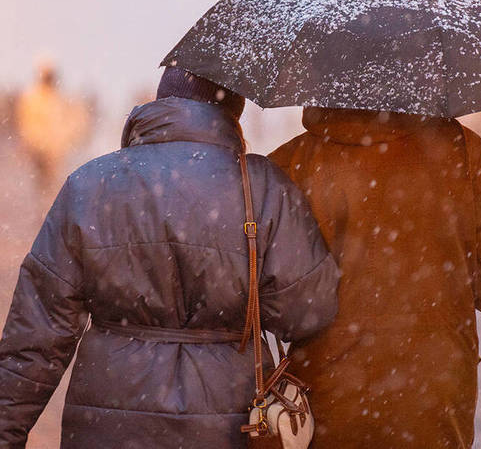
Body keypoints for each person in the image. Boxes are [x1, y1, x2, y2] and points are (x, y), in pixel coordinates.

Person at [0, 67, 339, 448]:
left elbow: (36, 336)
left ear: (160, 101)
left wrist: (7, 431)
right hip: (227, 422)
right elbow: (308, 311)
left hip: (107, 421)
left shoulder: (90, 183)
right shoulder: (262, 185)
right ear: (234, 111)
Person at [269, 107, 481, 448]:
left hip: (325, 398)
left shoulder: (291, 162)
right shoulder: (461, 148)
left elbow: (275, 306)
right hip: (433, 399)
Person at [14, 63, 90, 194]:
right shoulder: (32, 99)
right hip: (37, 153)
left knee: (54, 189)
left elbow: (77, 121)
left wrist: (68, 139)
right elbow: (25, 125)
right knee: (39, 188)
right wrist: (34, 144)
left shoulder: (61, 99)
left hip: (56, 154)